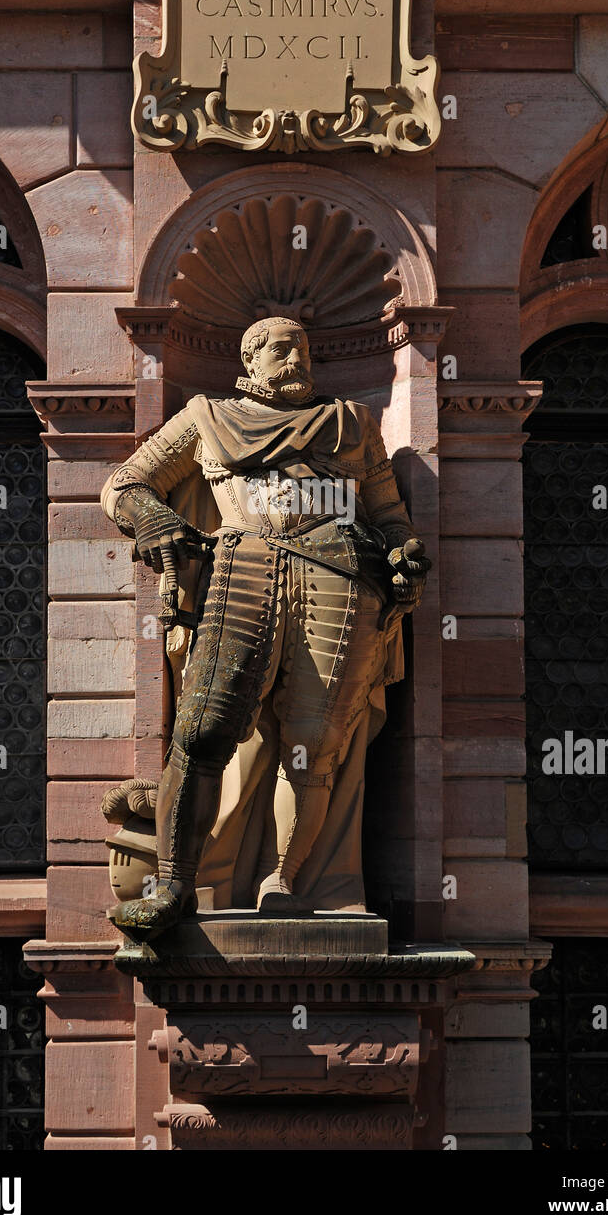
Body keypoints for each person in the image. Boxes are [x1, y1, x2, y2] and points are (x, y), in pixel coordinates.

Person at [101, 316, 430, 937]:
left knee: (316, 746)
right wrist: (156, 523)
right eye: (281, 348)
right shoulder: (205, 416)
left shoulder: (352, 424)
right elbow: (124, 484)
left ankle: (286, 881)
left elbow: (388, 513)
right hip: (243, 568)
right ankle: (174, 885)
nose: (295, 358)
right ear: (249, 362)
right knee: (200, 734)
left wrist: (403, 554)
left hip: (341, 581)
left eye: (304, 349)